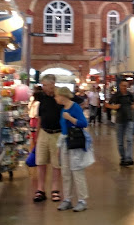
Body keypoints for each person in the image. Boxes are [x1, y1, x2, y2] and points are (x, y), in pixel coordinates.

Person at [55, 87, 89, 212]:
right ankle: (67, 199)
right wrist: (59, 147)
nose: (55, 98)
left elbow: (83, 123)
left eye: (57, 96)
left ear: (62, 96)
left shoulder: (74, 108)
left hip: (75, 143)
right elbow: (63, 129)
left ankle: (82, 200)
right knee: (66, 172)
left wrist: (70, 118)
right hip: (65, 142)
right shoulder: (63, 109)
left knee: (77, 171)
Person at [33, 75, 63, 203]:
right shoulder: (43, 98)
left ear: (53, 84)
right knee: (41, 162)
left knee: (57, 164)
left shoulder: (60, 97)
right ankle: (40, 190)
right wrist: (36, 135)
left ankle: (55, 189)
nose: (43, 87)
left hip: (58, 133)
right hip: (44, 133)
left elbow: (78, 103)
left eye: (45, 85)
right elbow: (40, 118)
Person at [107, 79, 134, 166]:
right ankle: (123, 158)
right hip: (119, 121)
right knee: (120, 142)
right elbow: (107, 105)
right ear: (120, 86)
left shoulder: (129, 95)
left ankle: (128, 158)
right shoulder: (116, 96)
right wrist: (114, 107)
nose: (124, 87)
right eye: (123, 85)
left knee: (129, 139)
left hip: (129, 119)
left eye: (126, 86)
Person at [28, 86, 43, 150]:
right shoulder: (38, 103)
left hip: (32, 119)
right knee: (36, 135)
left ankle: (33, 149)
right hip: (36, 120)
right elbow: (37, 113)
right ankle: (35, 149)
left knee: (33, 135)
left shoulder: (32, 102)